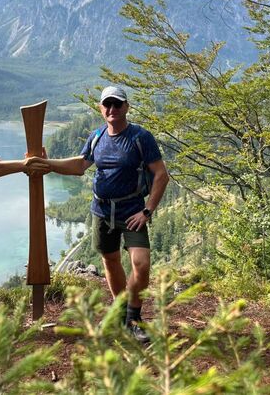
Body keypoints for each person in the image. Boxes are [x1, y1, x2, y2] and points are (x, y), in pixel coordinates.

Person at [27, 86, 169, 342]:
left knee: (142, 265)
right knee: (111, 262)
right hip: (102, 211)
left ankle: (134, 318)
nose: (112, 109)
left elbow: (161, 175)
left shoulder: (140, 137)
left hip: (132, 212)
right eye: (107, 105)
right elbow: (81, 164)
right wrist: (48, 164)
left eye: (117, 104)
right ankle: (119, 311)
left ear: (126, 107)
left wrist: (147, 211)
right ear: (101, 108)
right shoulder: (97, 136)